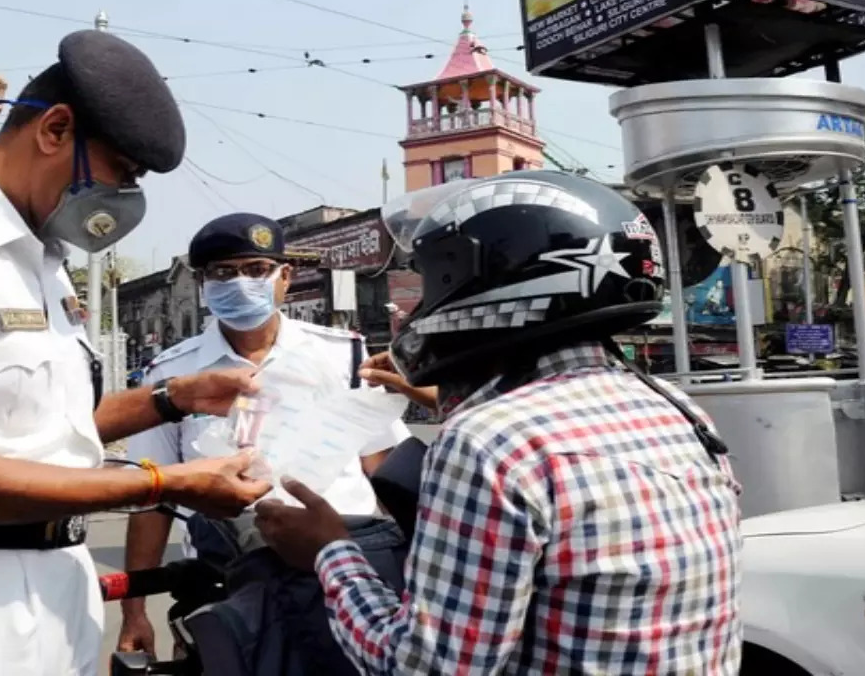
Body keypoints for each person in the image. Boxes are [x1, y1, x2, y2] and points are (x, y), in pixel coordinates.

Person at [0, 30, 272, 676]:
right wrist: (163, 484)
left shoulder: (42, 264)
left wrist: (173, 399)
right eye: (121, 174)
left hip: (56, 594)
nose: (123, 198)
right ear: (55, 131)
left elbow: (39, 429)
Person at [256, 171, 743, 675]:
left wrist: (330, 551)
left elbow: (423, 667)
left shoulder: (490, 444)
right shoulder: (674, 406)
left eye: (432, 283)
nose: (412, 308)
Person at [117, 213, 412, 670]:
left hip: (341, 570)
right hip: (225, 582)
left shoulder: (343, 355)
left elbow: (385, 470)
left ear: (285, 278)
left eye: (256, 269)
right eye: (223, 273)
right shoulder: (171, 377)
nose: (240, 283)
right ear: (202, 284)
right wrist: (133, 611)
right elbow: (153, 499)